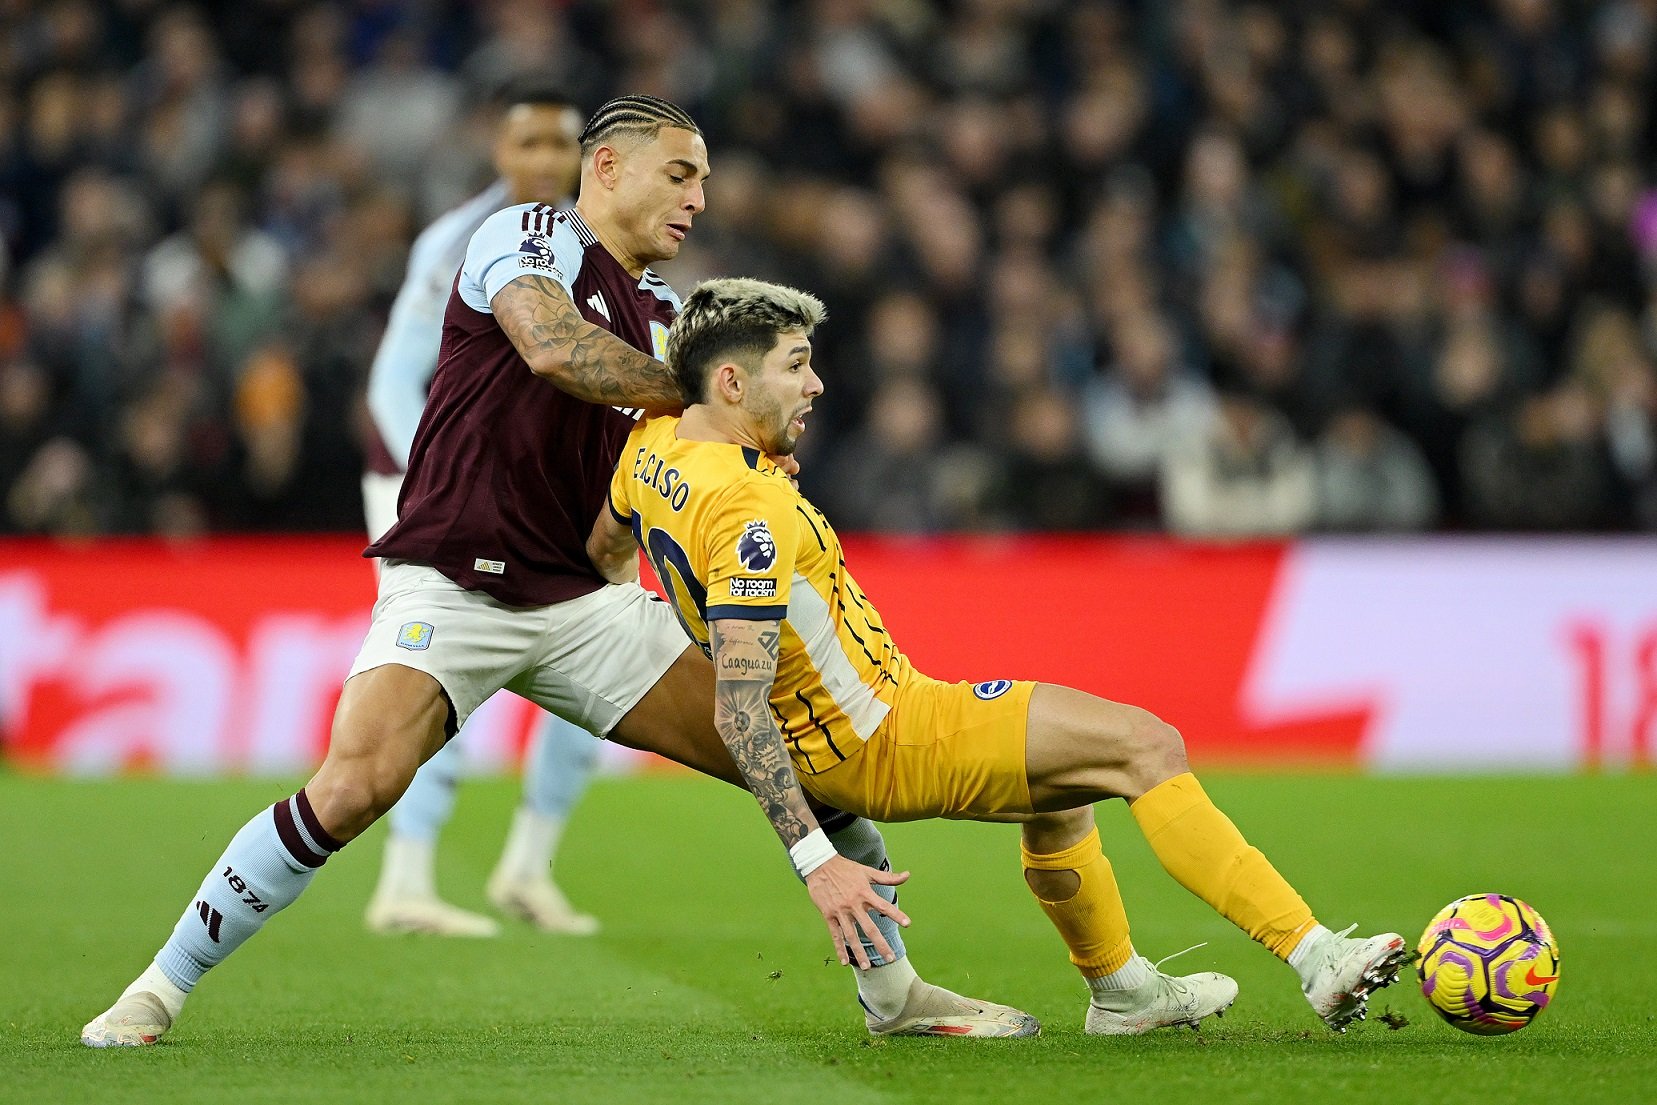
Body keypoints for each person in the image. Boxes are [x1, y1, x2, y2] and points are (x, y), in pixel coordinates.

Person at [81, 95, 1034, 1048]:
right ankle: (157, 987)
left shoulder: (665, 309)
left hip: (583, 599)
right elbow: (550, 348)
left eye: (703, 179)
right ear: (608, 168)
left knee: (799, 752)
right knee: (353, 785)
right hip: (453, 582)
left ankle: (894, 993)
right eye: (681, 173)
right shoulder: (528, 234)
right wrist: (706, 400)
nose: (701, 197)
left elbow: (688, 450)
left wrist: (737, 435)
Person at [591, 277, 1410, 1034]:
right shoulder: (749, 505)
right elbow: (737, 703)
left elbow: (606, 537)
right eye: (796, 366)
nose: (816, 386)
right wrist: (817, 860)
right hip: (887, 735)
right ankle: (1316, 957)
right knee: (1144, 744)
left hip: (861, 725)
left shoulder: (654, 445)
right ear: (731, 384)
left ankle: (1120, 989)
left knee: (1061, 787)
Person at [360, 81, 599, 939]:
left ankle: (530, 865)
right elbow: (393, 378)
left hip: (540, 484)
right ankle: (406, 879)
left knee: (608, 650)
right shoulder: (457, 239)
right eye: (526, 144)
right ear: (499, 153)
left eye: (557, 144)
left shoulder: (596, 241)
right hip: (428, 482)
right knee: (433, 669)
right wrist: (436, 478)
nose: (542, 160)